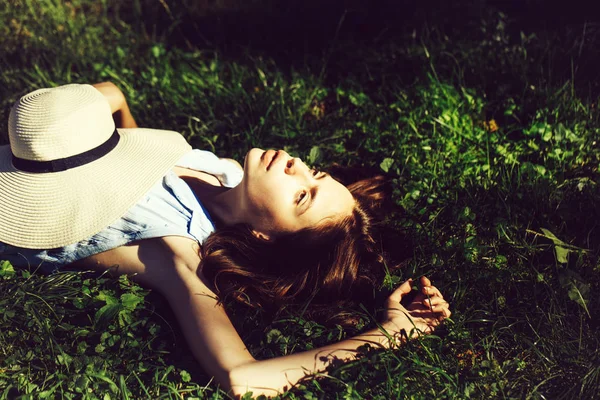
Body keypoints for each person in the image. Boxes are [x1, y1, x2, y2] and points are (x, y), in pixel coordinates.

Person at [0, 82, 451, 397]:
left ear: (263, 237)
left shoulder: (176, 249)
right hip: (25, 159)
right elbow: (140, 161)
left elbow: (242, 379)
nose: (295, 165)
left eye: (300, 197)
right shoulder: (225, 173)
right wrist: (112, 112)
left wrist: (391, 332)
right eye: (315, 174)